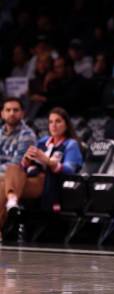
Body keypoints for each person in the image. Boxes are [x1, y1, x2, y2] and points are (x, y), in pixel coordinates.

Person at [1, 107, 83, 230]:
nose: (53, 125)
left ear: (66, 124)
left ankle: (12, 198)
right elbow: (26, 166)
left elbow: (69, 171)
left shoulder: (71, 144)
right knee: (12, 168)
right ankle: (12, 199)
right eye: (50, 122)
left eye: (58, 121)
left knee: (3, 185)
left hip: (49, 182)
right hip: (30, 178)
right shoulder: (43, 141)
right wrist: (26, 161)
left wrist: (47, 161)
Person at [0, 97, 37, 233]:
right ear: (2, 114)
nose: (11, 113)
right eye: (8, 110)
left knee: (4, 181)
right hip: (3, 177)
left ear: (22, 113)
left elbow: (18, 163)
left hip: (19, 178)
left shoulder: (27, 134)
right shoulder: (0, 133)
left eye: (15, 110)